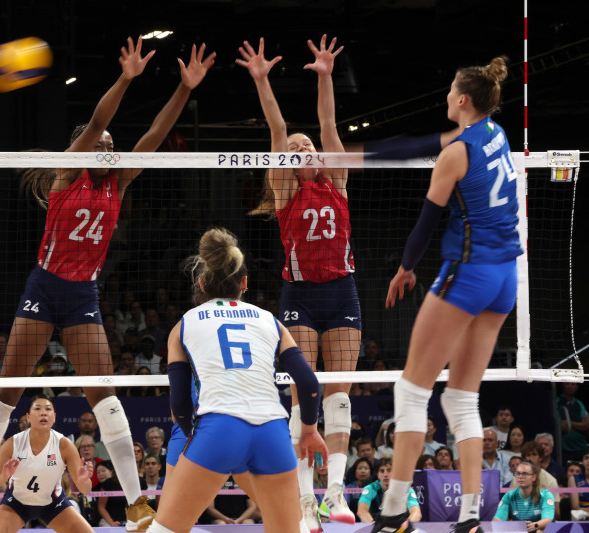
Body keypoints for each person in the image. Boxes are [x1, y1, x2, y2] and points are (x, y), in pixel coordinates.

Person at [0, 36, 215, 533]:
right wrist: (127, 78)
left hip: (82, 296)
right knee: (6, 395)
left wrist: (184, 88)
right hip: (44, 287)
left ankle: (138, 505)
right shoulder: (68, 171)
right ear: (86, 148)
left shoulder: (118, 181)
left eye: (114, 148)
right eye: (104, 146)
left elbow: (154, 137)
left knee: (108, 397)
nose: (111, 150)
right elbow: (96, 123)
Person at [375, 55, 522, 533]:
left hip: (470, 273)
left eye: (449, 91)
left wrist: (405, 269)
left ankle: (395, 508)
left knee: (412, 390)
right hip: (505, 277)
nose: (445, 97)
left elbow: (425, 223)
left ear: (462, 100)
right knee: (462, 399)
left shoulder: (456, 151)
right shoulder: (498, 133)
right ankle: (471, 515)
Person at [237, 35, 360, 528]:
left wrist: (327, 76)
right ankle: (304, 500)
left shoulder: (338, 182)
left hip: (343, 290)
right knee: (303, 394)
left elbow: (328, 124)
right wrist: (263, 80)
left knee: (340, 394)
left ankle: (335, 495)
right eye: (296, 149)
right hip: (301, 297)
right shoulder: (285, 188)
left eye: (308, 147)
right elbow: (278, 126)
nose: (305, 149)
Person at [147, 227, 327, 533]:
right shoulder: (271, 321)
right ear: (244, 283)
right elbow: (308, 382)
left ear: (202, 283)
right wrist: (309, 429)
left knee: (164, 530)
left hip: (219, 428)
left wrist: (191, 433)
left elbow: (179, 399)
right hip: (272, 431)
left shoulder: (184, 324)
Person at [0, 395, 94, 533]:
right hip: (16, 503)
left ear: (54, 417)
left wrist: (83, 480)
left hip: (54, 503)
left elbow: (86, 490)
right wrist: (3, 477)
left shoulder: (64, 445)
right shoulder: (13, 443)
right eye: (37, 408)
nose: (43, 412)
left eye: (48, 409)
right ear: (28, 417)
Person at [493, 460, 555, 531]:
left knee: (542, 530)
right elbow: (497, 518)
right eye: (518, 473)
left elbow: (548, 519)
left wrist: (535, 525)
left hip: (538, 528)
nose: (520, 477)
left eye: (525, 474)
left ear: (534, 477)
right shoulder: (509, 496)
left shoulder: (545, 495)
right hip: (518, 531)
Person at [357, 458, 421, 524]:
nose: (385, 475)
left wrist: (404, 528)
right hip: (374, 524)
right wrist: (374, 528)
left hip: (399, 526)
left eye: (389, 470)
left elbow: (416, 513)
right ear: (378, 475)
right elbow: (362, 511)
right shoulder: (370, 488)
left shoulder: (406, 490)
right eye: (382, 471)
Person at [557, 383, 589, 462]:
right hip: (564, 448)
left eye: (573, 384)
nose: (570, 387)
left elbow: (586, 425)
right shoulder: (556, 402)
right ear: (563, 385)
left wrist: (569, 424)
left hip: (581, 447)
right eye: (567, 384)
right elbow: (561, 427)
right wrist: (580, 427)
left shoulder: (579, 403)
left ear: (577, 387)